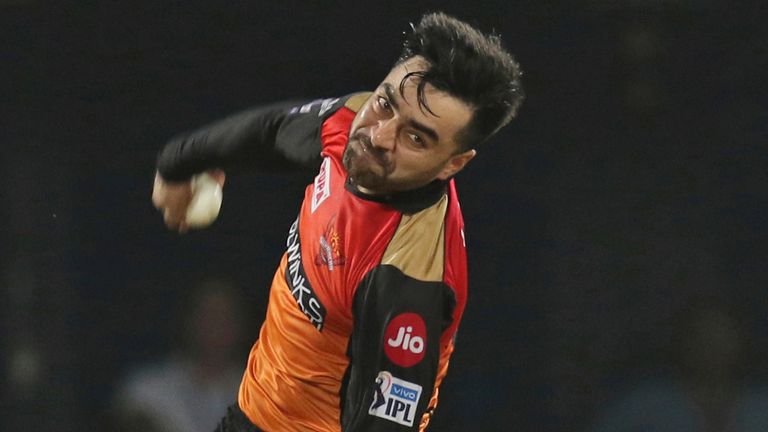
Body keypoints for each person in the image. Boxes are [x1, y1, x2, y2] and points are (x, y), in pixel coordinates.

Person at [152, 12, 524, 432]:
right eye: (385, 103)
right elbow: (274, 131)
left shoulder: (407, 279)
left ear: (453, 163)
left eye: (416, 138)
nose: (380, 135)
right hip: (250, 415)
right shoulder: (354, 121)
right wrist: (178, 162)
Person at [112, 279, 249, 432]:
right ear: (189, 320)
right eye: (207, 314)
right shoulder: (145, 393)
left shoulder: (263, 395)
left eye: (225, 316)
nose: (215, 326)